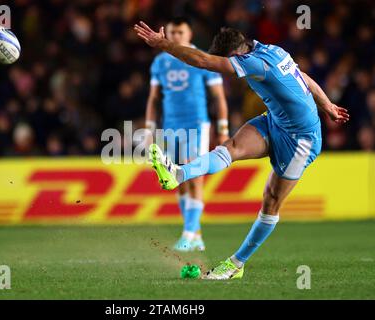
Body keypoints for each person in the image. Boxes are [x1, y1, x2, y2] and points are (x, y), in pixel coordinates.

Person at [134, 22, 349, 279]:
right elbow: (302, 77)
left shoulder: (253, 63)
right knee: (232, 147)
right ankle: (178, 174)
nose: (230, 76)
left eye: (229, 67)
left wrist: (164, 44)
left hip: (301, 140)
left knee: (271, 201)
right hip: (275, 122)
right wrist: (328, 105)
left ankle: (236, 264)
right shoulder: (273, 50)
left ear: (235, 56)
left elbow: (204, 62)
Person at [145, 17, 229, 252]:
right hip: (170, 125)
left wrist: (222, 128)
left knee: (194, 176)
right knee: (177, 180)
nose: (176, 37)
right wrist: (150, 129)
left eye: (180, 32)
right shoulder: (160, 62)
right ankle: (196, 235)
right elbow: (153, 98)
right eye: (172, 32)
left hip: (196, 124)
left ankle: (188, 233)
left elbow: (219, 97)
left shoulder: (202, 59)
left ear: (189, 34)